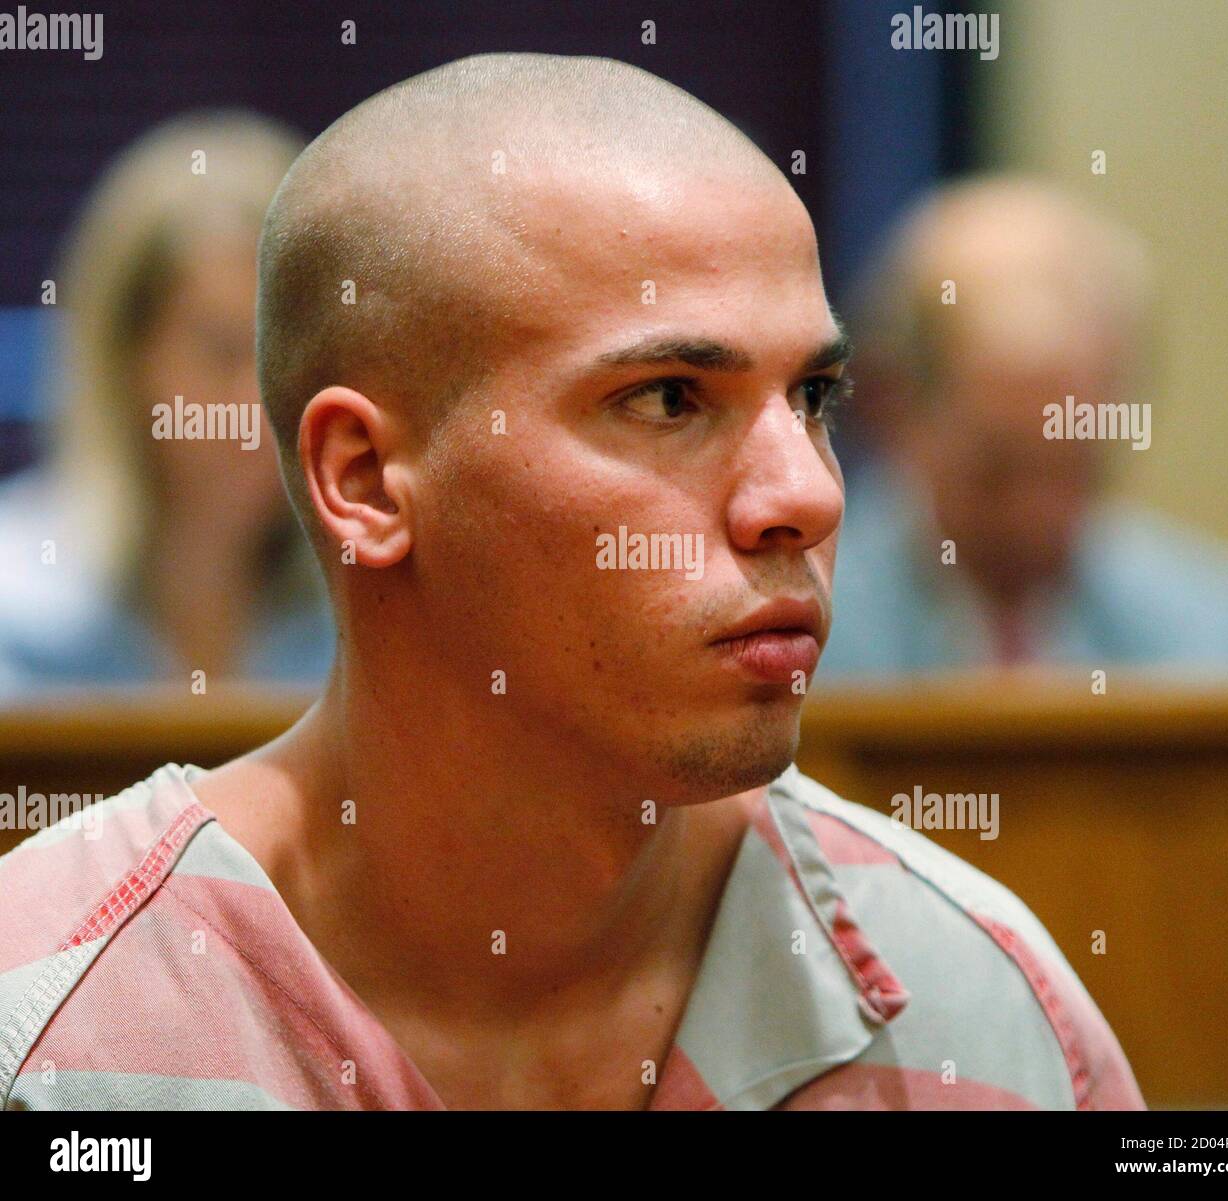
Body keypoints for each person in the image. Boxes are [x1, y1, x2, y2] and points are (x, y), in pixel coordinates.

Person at [0, 54, 1143, 1111]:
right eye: (669, 399)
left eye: (813, 397)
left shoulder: (989, 1019)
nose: (807, 493)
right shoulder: (50, 1030)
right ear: (367, 481)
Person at [818, 176, 1228, 678]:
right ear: (892, 406)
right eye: (997, 471)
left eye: (1076, 468)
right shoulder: (800, 640)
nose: (1037, 516)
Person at [0, 111, 333, 694]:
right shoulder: (16, 600)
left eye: (284, 350)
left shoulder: (370, 612)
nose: (257, 401)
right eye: (223, 351)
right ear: (126, 361)